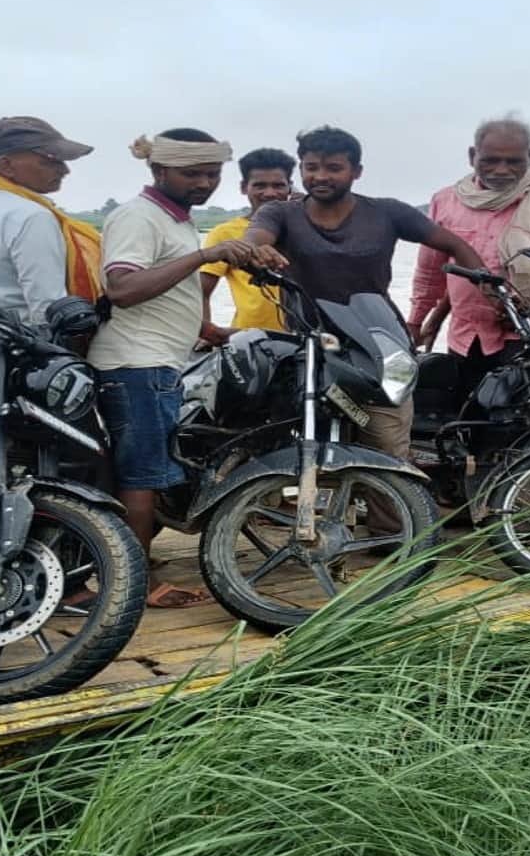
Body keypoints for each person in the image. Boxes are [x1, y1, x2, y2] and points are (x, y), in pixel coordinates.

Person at [243, 126, 485, 460]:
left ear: (356, 171)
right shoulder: (280, 213)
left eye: (333, 168)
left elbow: (453, 243)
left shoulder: (387, 212)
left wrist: (485, 283)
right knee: (289, 446)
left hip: (377, 346)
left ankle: (393, 507)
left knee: (387, 449)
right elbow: (255, 237)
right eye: (311, 167)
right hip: (309, 346)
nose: (320, 176)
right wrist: (256, 251)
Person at [97, 128, 258, 608]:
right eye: (192, 173)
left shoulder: (176, 220)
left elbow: (167, 294)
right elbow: (121, 289)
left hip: (158, 361)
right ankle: (132, 585)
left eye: (212, 173)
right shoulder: (138, 217)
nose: (204, 183)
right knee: (140, 479)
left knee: (141, 475)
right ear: (158, 170)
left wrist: (207, 330)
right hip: (135, 364)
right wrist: (206, 255)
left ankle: (125, 566)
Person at [410, 117, 530, 399]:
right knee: (469, 419)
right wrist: (416, 322)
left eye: (514, 162)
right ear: (472, 156)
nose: (501, 170)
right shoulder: (446, 200)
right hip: (468, 336)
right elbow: (430, 270)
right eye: (490, 160)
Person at [0, 116, 101, 342]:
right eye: (50, 160)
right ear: (6, 165)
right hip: (21, 352)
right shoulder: (31, 217)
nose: (65, 170)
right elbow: (47, 308)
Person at [199, 147, 296, 341]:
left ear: (290, 187)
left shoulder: (305, 227)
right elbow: (201, 292)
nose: (270, 193)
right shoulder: (225, 234)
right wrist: (204, 334)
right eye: (260, 185)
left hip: (306, 340)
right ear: (244, 187)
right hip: (250, 343)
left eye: (278, 185)